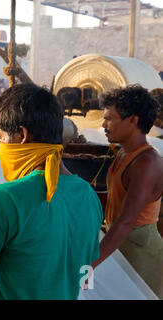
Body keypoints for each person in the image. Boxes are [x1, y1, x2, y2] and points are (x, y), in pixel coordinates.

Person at [0, 83, 103, 299]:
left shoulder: (6, 198)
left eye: (0, 137)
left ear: (22, 135)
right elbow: (81, 271)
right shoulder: (88, 196)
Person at [91, 85, 163, 299]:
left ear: (133, 121)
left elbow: (127, 221)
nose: (103, 125)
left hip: (141, 250)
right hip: (121, 241)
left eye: (109, 118)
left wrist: (91, 263)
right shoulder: (124, 152)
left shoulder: (146, 163)